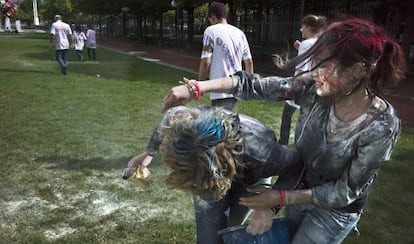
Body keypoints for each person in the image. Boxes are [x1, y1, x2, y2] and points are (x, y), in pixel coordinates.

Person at [161, 17, 406, 243]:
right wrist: (197, 87)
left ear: (355, 71)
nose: (316, 72)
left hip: (334, 213)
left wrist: (279, 198)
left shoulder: (381, 126)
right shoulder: (314, 89)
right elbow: (254, 84)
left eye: (325, 64)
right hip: (298, 189)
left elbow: (346, 192)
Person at [123, 104, 303, 244]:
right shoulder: (183, 125)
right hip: (214, 168)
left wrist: (270, 205)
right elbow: (171, 115)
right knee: (209, 238)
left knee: (232, 231)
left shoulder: (262, 154)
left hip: (251, 176)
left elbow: (298, 164)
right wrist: (149, 152)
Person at [278, 15, 327, 145]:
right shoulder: (321, 43)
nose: (301, 29)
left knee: (287, 114)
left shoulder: (306, 44)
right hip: (317, 85)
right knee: (308, 118)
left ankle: (283, 143)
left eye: (303, 26)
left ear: (309, 28)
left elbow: (302, 68)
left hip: (303, 84)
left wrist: (294, 86)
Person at [199, 2, 254, 110]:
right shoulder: (240, 33)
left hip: (220, 86)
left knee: (219, 123)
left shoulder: (210, 31)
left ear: (213, 16)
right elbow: (249, 62)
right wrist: (249, 86)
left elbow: (206, 60)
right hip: (237, 85)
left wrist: (200, 84)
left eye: (209, 19)